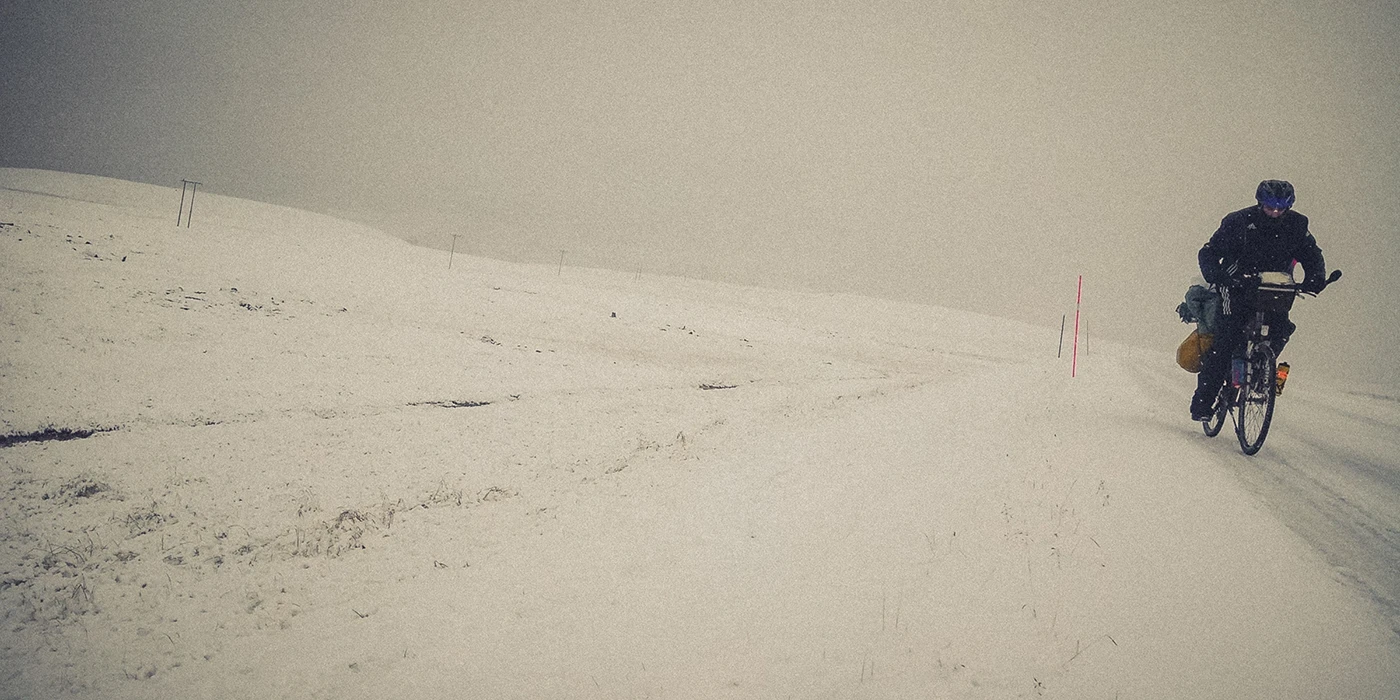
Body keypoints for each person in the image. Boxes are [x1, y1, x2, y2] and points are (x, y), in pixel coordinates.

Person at [1190, 179, 1327, 421]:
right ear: (1259, 203)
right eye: (1270, 207)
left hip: (1275, 289)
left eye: (1281, 208)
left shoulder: (1297, 225)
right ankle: (1203, 402)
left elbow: (1312, 255)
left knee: (1281, 329)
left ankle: (1262, 371)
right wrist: (1218, 276)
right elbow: (1209, 252)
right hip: (1236, 287)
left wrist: (1316, 278)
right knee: (1227, 340)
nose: (1275, 213)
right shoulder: (1238, 222)